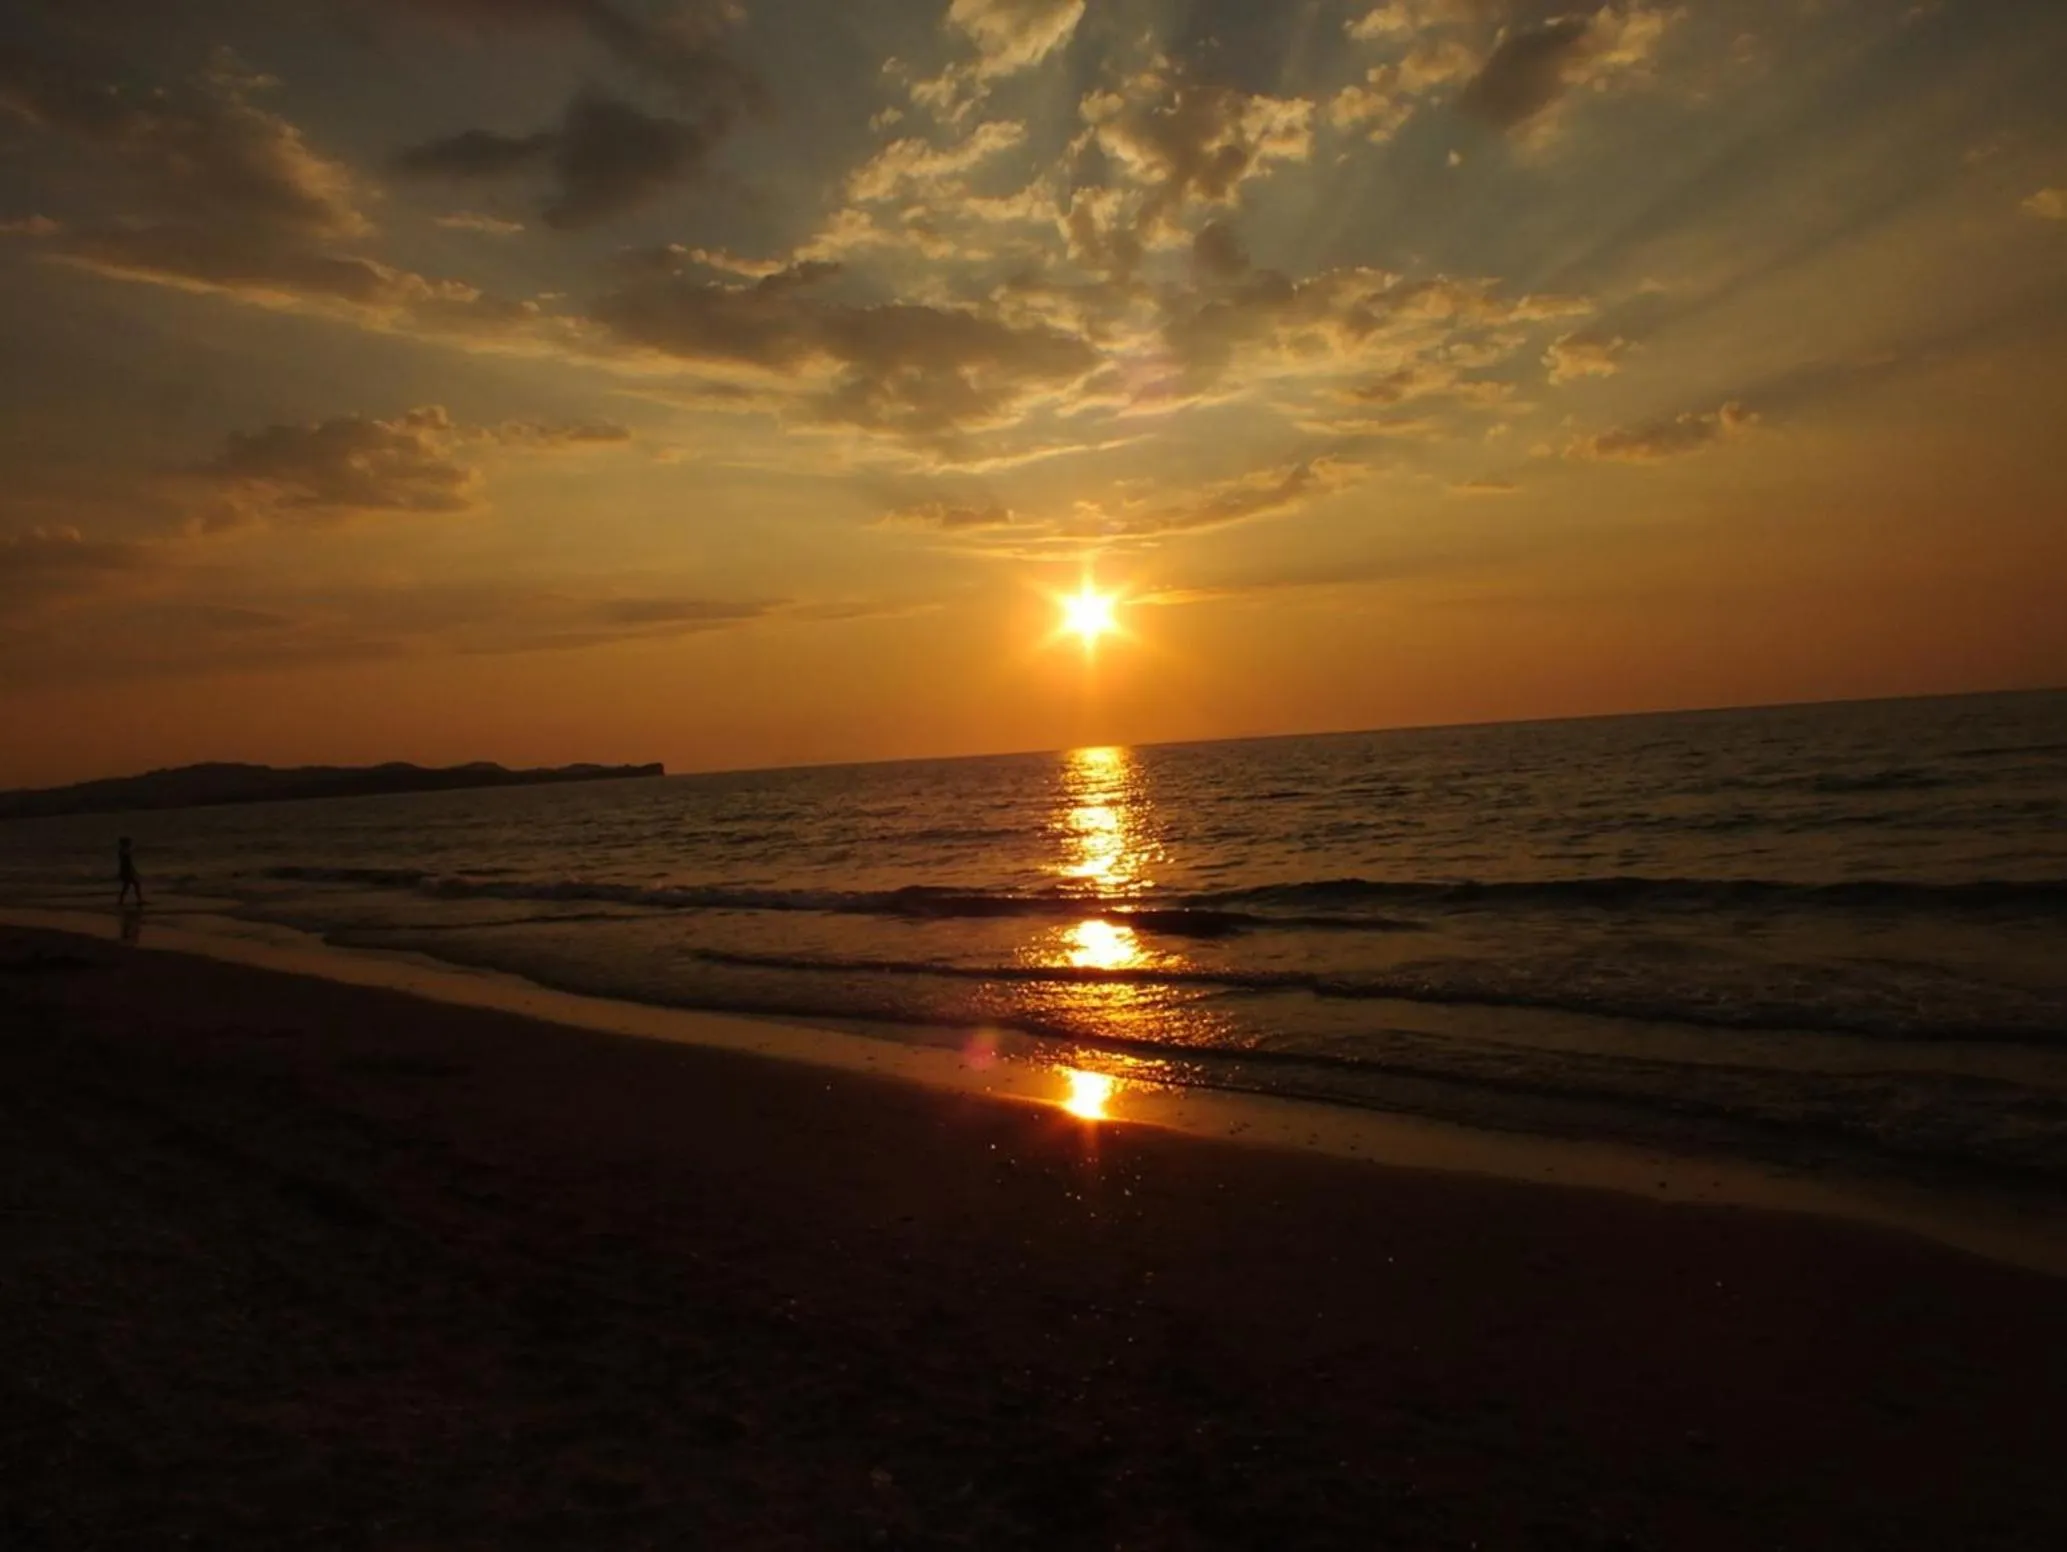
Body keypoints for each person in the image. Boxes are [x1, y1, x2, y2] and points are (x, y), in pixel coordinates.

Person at [117, 836, 144, 908]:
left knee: (127, 886)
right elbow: (127, 863)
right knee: (135, 884)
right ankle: (139, 900)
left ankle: (121, 901)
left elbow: (127, 863)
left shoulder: (123, 851)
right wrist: (132, 871)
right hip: (126, 871)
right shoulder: (124, 852)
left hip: (126, 871)